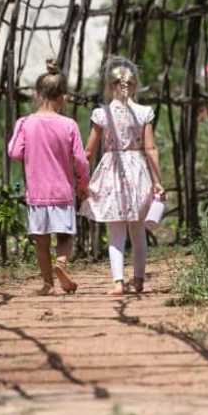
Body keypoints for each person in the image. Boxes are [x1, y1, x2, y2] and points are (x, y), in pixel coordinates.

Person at [81, 56, 165, 295]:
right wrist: (157, 180)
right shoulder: (144, 112)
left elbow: (89, 150)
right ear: (134, 86)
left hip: (112, 172)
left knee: (115, 232)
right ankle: (138, 281)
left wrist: (80, 175)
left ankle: (118, 282)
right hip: (138, 172)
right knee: (138, 232)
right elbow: (150, 149)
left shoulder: (101, 114)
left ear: (110, 87)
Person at [7, 59, 90, 295]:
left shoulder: (25, 123)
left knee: (41, 242)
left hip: (37, 193)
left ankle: (47, 284)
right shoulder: (69, 125)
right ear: (62, 97)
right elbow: (81, 160)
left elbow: (14, 152)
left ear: (36, 94)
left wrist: (18, 128)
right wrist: (83, 184)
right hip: (62, 192)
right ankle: (61, 264)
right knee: (65, 236)